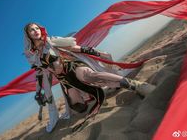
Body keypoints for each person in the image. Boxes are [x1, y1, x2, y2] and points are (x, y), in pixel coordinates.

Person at [23, 23, 155, 132]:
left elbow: (75, 48)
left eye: (36, 28)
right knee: (79, 107)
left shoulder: (51, 42)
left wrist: (98, 53)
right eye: (31, 30)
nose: (35, 31)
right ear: (28, 35)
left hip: (72, 66)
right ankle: (96, 91)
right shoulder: (34, 57)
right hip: (65, 81)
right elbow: (41, 75)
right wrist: (38, 93)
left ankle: (135, 85)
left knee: (90, 76)